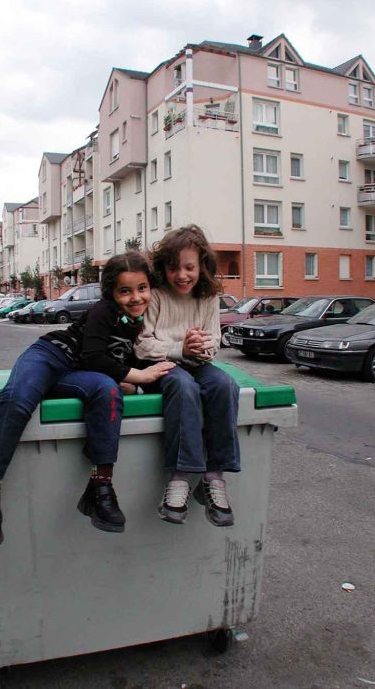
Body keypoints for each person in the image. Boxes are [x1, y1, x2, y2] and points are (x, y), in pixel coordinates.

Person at [0, 252, 176, 547]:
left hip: (80, 376)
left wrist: (134, 382)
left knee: (108, 391)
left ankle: (100, 489)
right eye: (125, 291)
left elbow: (123, 365)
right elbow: (94, 355)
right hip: (50, 357)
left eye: (142, 288)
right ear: (111, 293)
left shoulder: (145, 321)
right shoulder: (104, 311)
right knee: (18, 400)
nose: (135, 297)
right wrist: (138, 377)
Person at [135, 225, 241, 527]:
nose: (181, 275)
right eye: (173, 268)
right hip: (163, 364)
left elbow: (214, 343)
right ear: (163, 268)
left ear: (202, 266)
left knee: (224, 384)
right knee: (183, 387)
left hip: (195, 362)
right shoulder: (155, 296)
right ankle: (180, 476)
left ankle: (213, 475)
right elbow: (143, 344)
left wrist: (201, 347)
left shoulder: (208, 298)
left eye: (189, 267)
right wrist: (180, 349)